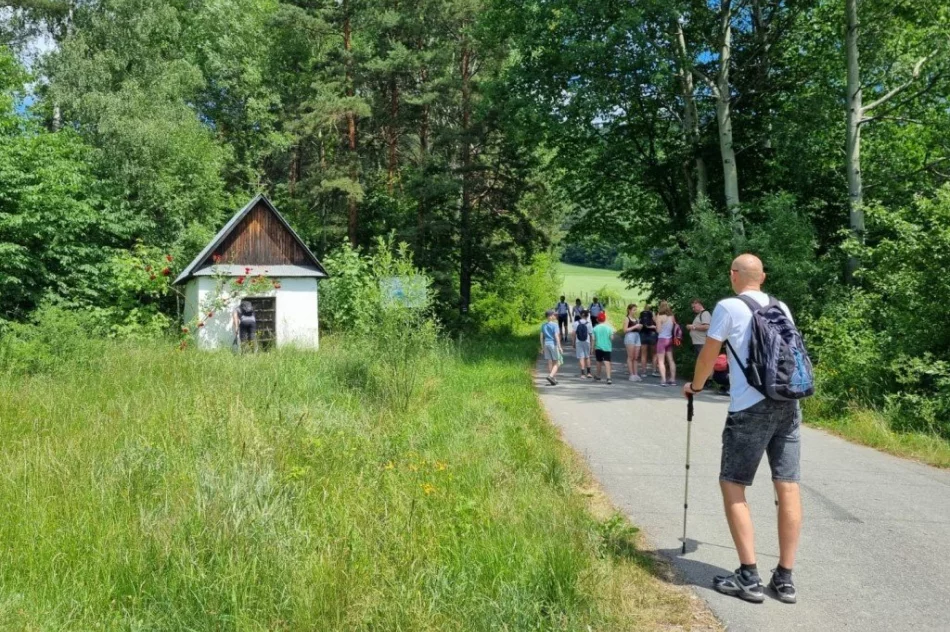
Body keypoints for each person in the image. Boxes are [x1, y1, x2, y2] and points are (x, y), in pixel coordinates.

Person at [683, 254, 803, 605]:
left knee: (733, 484)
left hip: (749, 408)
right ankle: (784, 578)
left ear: (734, 275)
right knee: (788, 486)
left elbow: (709, 355)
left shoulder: (728, 307)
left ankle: (748, 576)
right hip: (788, 405)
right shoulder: (782, 307)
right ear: (762, 277)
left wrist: (696, 385)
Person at [654, 300, 677, 386]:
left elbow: (658, 330)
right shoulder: (671, 316)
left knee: (661, 361)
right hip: (670, 339)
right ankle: (673, 379)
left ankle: (663, 380)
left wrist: (656, 324)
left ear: (660, 306)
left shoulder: (659, 316)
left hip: (662, 340)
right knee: (671, 360)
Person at [540, 309, 563, 386]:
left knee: (550, 361)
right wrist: (559, 347)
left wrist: (542, 347)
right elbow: (556, 336)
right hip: (553, 344)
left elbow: (541, 337)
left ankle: (553, 379)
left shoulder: (543, 325)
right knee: (556, 362)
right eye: (553, 315)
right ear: (550, 316)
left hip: (546, 344)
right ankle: (550, 376)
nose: (554, 316)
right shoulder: (555, 325)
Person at [591, 311, 614, 384]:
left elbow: (593, 339)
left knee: (598, 362)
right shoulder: (609, 328)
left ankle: (598, 375)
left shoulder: (595, 328)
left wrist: (592, 348)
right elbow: (612, 337)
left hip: (598, 347)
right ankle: (608, 378)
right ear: (605, 319)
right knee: (607, 362)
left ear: (597, 319)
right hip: (607, 347)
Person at [623, 303, 643, 382]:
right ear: (629, 310)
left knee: (636, 357)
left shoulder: (637, 319)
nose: (635, 311)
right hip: (630, 336)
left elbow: (638, 329)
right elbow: (625, 330)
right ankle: (631, 374)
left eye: (636, 310)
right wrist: (635, 326)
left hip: (637, 336)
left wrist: (640, 327)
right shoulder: (627, 318)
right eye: (634, 310)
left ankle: (636, 374)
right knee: (630, 356)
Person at [639, 303, 658, 377]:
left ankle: (644, 372)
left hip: (643, 334)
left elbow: (640, 323)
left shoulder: (641, 314)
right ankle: (654, 371)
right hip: (652, 334)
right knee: (654, 354)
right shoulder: (652, 313)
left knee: (643, 354)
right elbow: (656, 322)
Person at [573, 309, 593, 378]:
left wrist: (573, 342)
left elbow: (574, 334)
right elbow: (591, 335)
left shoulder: (576, 323)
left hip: (578, 341)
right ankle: (589, 373)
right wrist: (592, 346)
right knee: (587, 357)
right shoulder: (589, 324)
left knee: (581, 357)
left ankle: (582, 374)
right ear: (587, 316)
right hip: (587, 341)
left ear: (580, 315)